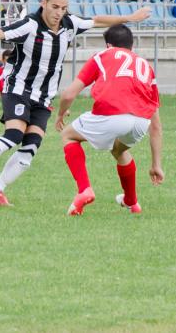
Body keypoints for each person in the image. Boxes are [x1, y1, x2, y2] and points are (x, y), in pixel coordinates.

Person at [0, 0, 150, 206]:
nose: (59, 12)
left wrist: (129, 17)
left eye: (63, 7)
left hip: (44, 98)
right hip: (19, 89)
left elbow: (98, 20)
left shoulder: (69, 23)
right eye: (55, 6)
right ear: (43, 3)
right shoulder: (30, 25)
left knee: (30, 147)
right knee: (14, 135)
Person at [56, 24, 163, 215]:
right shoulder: (146, 67)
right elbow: (156, 126)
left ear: (108, 45)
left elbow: (68, 95)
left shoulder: (102, 56)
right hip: (140, 122)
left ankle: (84, 190)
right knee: (118, 149)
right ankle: (132, 201)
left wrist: (60, 114)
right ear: (131, 46)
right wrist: (156, 165)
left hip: (111, 114)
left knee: (68, 135)